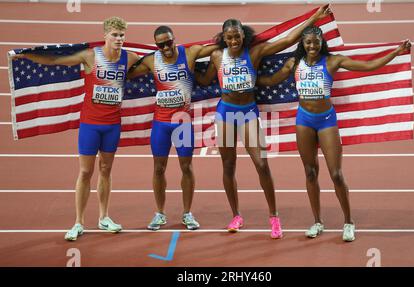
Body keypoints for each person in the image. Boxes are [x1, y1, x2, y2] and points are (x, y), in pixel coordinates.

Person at [257, 25, 411, 242]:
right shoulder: (294, 63)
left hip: (326, 120)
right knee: (310, 172)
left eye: (315, 42)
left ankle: (348, 222)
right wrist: (248, 80)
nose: (312, 46)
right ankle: (317, 221)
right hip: (303, 120)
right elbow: (272, 81)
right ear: (302, 43)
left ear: (322, 42)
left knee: (336, 174)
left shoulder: (332, 61)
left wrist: (395, 52)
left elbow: (367, 66)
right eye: (308, 42)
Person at [196, 5, 332, 239]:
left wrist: (315, 17)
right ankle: (236, 215)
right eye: (229, 38)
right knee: (228, 166)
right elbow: (206, 77)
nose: (233, 41)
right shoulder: (218, 56)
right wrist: (185, 69)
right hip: (225, 113)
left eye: (237, 36)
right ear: (223, 38)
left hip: (248, 112)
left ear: (243, 35)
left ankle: (274, 216)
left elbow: (289, 38)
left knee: (261, 164)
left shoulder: (255, 53)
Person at [13, 17, 140, 241]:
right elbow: (55, 60)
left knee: (106, 170)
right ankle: (78, 222)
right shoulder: (90, 56)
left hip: (112, 125)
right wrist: (27, 55)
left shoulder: (130, 58)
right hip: (91, 124)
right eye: (115, 35)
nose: (119, 39)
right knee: (85, 172)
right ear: (105, 35)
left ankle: (104, 218)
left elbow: (155, 64)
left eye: (122, 35)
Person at [127, 26, 219, 231]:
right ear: (156, 46)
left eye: (169, 42)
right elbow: (127, 74)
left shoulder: (190, 53)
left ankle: (187, 213)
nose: (166, 47)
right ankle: (160, 213)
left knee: (186, 167)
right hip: (160, 123)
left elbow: (215, 47)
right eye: (161, 45)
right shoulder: (152, 60)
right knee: (159, 168)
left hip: (182, 121)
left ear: (174, 39)